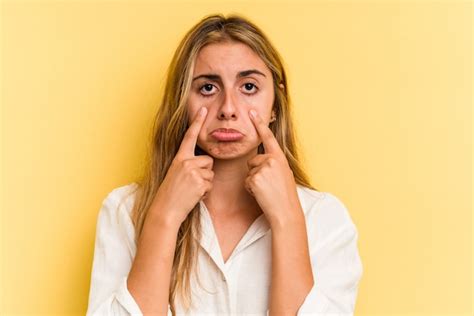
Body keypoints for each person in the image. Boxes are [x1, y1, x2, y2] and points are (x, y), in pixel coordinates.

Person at [86, 13, 363, 316]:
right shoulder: (124, 210)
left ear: (275, 105)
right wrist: (163, 218)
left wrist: (287, 220)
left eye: (248, 87)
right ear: (183, 101)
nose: (228, 109)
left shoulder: (325, 218)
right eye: (207, 88)